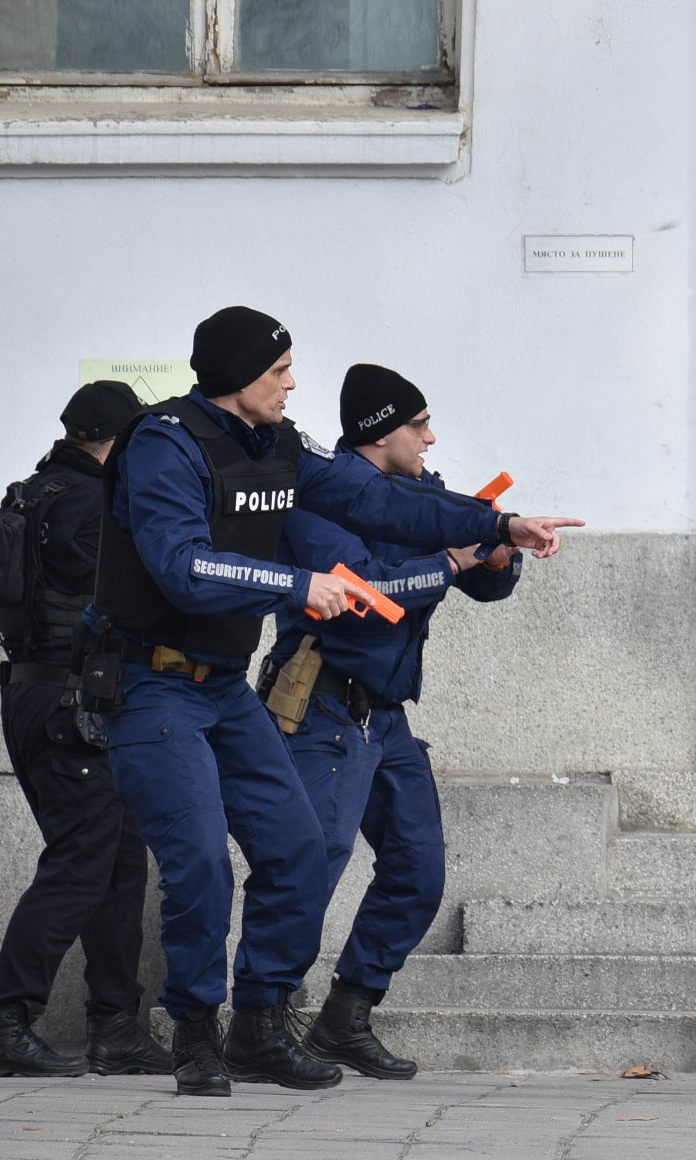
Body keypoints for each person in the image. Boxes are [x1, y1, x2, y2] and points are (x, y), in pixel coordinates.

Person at [86, 306, 581, 1098]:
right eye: (280, 370)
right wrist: (297, 584)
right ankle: (193, 1033)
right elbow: (181, 566)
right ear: (242, 376)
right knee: (204, 865)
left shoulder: (281, 445)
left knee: (294, 852)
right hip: (154, 684)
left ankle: (258, 1027)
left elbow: (381, 502)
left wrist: (502, 523)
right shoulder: (164, 445)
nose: (292, 382)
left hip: (222, 685)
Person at [260, 365, 522, 1080]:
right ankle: (265, 1016)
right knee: (310, 863)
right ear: (381, 432)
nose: (431, 437)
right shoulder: (318, 501)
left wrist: (499, 557)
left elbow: (482, 577)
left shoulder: (423, 497)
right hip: (322, 706)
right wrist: (447, 560)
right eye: (418, 424)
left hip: (387, 717)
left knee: (418, 870)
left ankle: (345, 1018)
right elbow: (365, 591)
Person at [0, 381, 170, 1080]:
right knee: (86, 857)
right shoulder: (93, 506)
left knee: (117, 856)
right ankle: (6, 1020)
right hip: (69, 703)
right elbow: (138, 595)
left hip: (41, 696)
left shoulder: (35, 492)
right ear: (119, 441)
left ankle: (116, 1025)